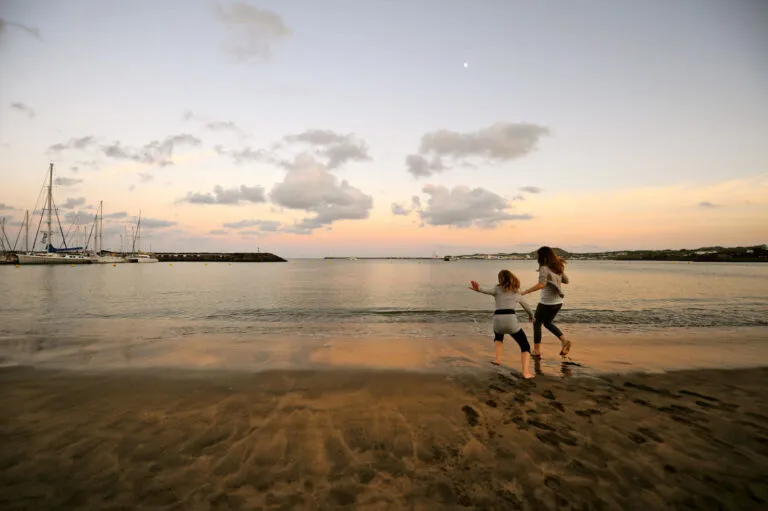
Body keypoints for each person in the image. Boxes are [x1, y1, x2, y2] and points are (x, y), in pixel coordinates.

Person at [469, 269, 536, 379]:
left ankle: (498, 359)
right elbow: (526, 306)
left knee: (498, 337)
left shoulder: (497, 289)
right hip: (510, 320)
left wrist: (478, 289)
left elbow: (486, 290)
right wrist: (532, 316)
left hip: (498, 320)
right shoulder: (516, 292)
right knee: (525, 345)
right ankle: (525, 372)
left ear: (500, 279)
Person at [521, 246, 572, 358]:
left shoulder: (544, 268)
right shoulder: (557, 267)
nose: (537, 258)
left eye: (538, 256)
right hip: (558, 302)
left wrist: (526, 291)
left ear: (542, 257)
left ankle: (536, 350)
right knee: (547, 323)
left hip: (547, 302)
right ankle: (564, 341)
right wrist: (558, 273)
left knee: (537, 323)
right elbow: (566, 281)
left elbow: (541, 284)